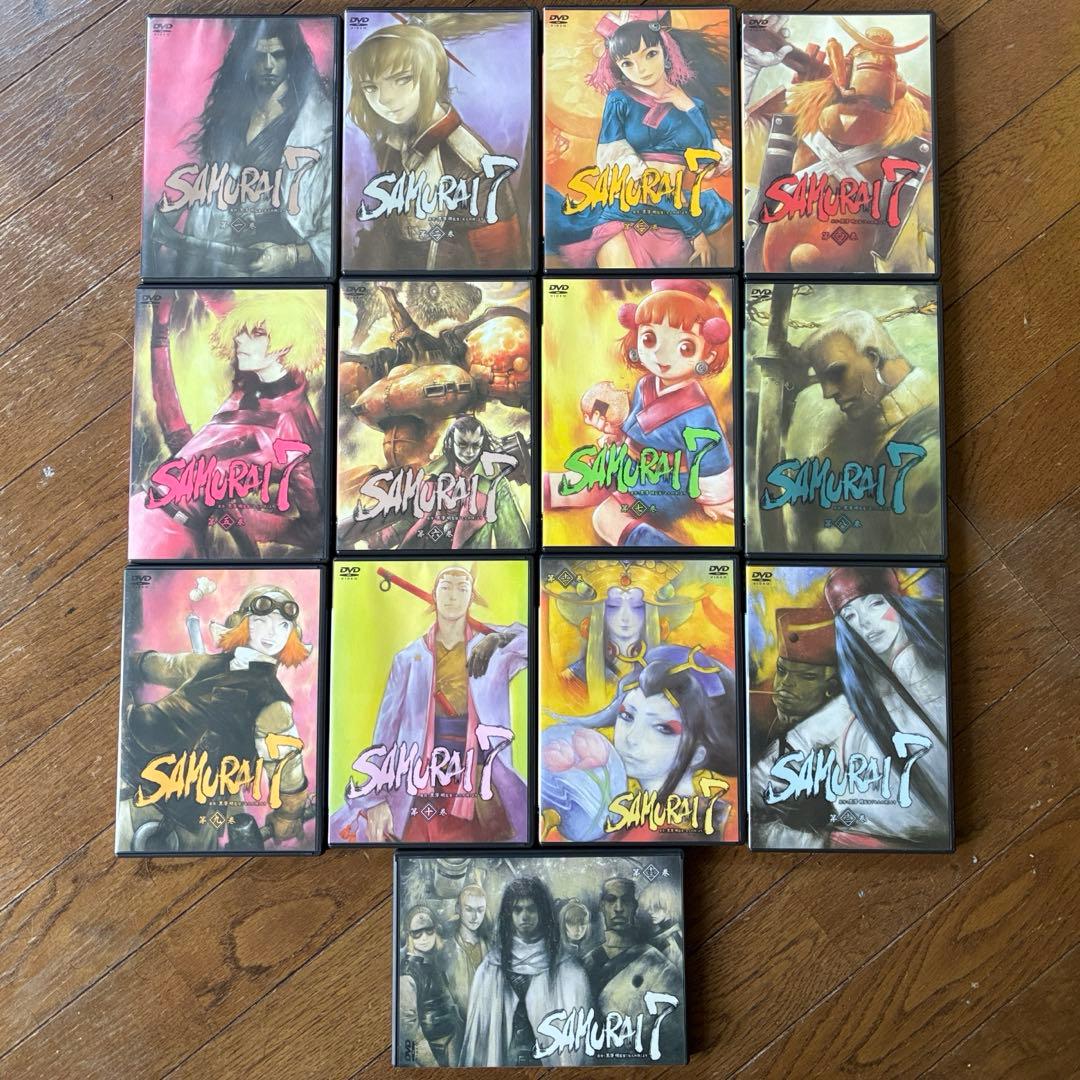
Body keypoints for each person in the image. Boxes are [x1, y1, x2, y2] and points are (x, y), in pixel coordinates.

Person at [754, 567, 950, 849]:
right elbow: (763, 778)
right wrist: (810, 843)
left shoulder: (940, 670)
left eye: (875, 604)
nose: (865, 623)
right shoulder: (853, 706)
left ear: (897, 602)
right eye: (850, 616)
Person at [338, 565, 528, 842]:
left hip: (477, 778)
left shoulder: (494, 652)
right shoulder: (408, 659)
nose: (453, 596)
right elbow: (386, 731)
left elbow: (531, 642)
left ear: (472, 597)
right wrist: (376, 796)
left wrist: (496, 638)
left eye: (462, 589)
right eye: (445, 587)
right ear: (434, 595)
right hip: (420, 775)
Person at [128, 291, 325, 560]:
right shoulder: (252, 385)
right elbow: (181, 443)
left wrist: (242, 519)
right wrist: (160, 331)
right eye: (241, 331)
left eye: (256, 333)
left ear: (286, 344)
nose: (239, 339)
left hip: (170, 538)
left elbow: (314, 530)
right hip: (146, 512)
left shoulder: (293, 429)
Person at [117, 584, 313, 852]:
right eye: (261, 621)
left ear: (291, 636)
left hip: (185, 805)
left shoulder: (273, 704)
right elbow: (165, 666)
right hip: (135, 771)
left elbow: (286, 764)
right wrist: (129, 663)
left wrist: (288, 815)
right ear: (243, 624)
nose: (271, 632)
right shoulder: (209, 665)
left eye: (282, 626)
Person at [545, 279, 734, 545]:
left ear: (709, 355)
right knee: (579, 482)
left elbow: (712, 458)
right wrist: (616, 434)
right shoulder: (646, 384)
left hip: (666, 483)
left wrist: (717, 499)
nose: (661, 354)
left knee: (607, 517)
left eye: (684, 347)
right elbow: (635, 427)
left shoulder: (697, 412)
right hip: (630, 466)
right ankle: (541, 492)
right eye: (650, 339)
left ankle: (668, 553)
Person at [546, 9, 733, 268]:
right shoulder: (619, 101)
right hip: (629, 208)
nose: (641, 70)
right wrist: (694, 232)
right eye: (627, 63)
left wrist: (688, 106)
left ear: (666, 51)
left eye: (650, 54)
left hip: (681, 208)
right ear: (618, 67)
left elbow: (713, 157)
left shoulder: (693, 105)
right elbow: (636, 177)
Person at [149, 18, 333, 277]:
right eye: (259, 56)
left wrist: (291, 255)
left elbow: (338, 229)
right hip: (223, 262)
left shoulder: (318, 126)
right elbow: (207, 194)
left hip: (284, 269)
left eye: (278, 55)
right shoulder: (229, 117)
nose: (268, 65)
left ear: (291, 59)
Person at [346, 22, 523, 269]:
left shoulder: (472, 161)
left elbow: (501, 264)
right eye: (370, 87)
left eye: (402, 80)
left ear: (434, 77)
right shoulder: (392, 144)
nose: (384, 99)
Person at [779, 309, 941, 553]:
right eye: (821, 380)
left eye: (836, 373)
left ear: (873, 357)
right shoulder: (854, 432)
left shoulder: (930, 440)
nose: (828, 392)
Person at [542, 644, 738, 841]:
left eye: (662, 728)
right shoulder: (622, 813)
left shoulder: (694, 828)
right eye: (627, 716)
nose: (632, 738)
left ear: (697, 755)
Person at [460, 877, 590, 1066]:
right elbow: (478, 1044)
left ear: (541, 912)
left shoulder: (569, 971)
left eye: (531, 909)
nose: (524, 916)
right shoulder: (490, 969)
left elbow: (578, 1045)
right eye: (517, 909)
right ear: (509, 914)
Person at [360, 416, 530, 550]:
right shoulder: (431, 476)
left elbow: (513, 539)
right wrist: (383, 538)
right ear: (450, 443)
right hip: (422, 553)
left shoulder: (495, 484)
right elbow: (413, 516)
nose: (469, 452)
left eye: (475, 445)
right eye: (462, 445)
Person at [582, 878, 683, 1055]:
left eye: (626, 901)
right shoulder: (586, 963)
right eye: (611, 900)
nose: (618, 908)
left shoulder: (657, 964)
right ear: (602, 906)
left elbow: (673, 1033)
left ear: (634, 907)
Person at [397, 905, 463, 1067]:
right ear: (409, 935)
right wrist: (431, 1064)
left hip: (452, 1041)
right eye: (417, 933)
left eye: (429, 930)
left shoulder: (434, 963)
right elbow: (409, 1029)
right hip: (432, 1050)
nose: (424, 937)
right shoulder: (407, 974)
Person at [442, 884, 490, 1019]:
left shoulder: (492, 948)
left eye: (480, 910)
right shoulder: (446, 949)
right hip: (458, 1023)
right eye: (469, 909)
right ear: (458, 909)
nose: (475, 917)